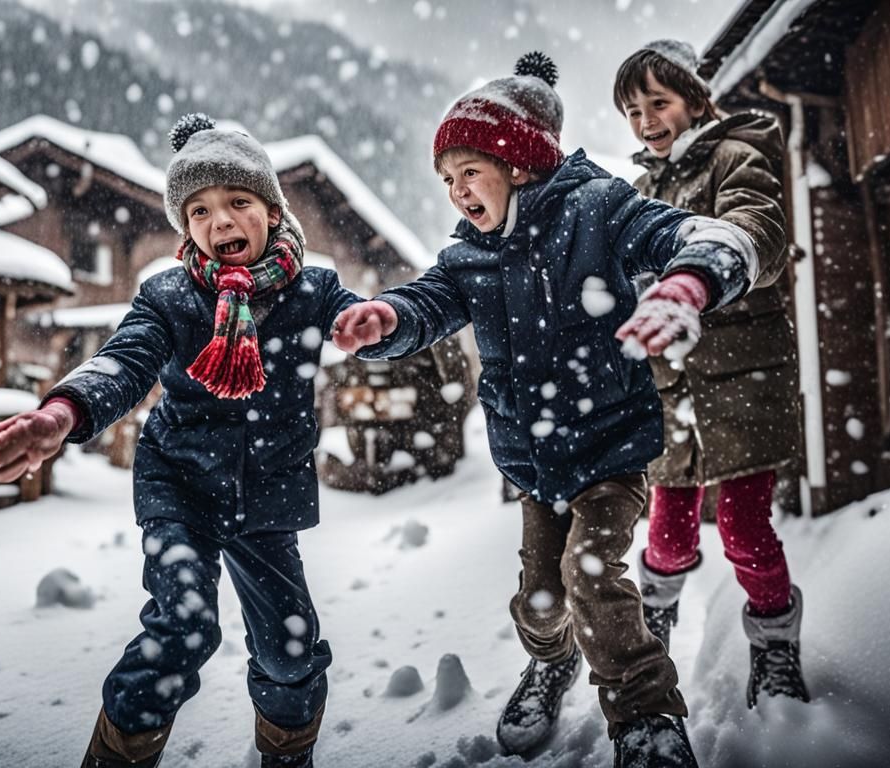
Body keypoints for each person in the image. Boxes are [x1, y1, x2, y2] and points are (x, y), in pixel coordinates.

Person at [332, 51, 763, 768]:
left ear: (519, 162)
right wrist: (387, 320)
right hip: (533, 463)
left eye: (469, 172)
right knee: (540, 594)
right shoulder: (469, 256)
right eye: (446, 180)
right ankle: (550, 662)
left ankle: (646, 716)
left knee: (590, 576)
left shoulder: (599, 207)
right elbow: (425, 303)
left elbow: (687, 235)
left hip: (612, 451)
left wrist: (692, 279)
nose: (457, 192)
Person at [0, 114, 364, 768]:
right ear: (183, 225)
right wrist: (64, 411)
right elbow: (123, 362)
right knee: (182, 627)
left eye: (238, 202)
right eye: (199, 210)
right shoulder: (166, 295)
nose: (220, 222)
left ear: (271, 211)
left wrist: (383, 325)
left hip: (268, 495)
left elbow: (374, 326)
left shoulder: (314, 289)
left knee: (291, 653)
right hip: (180, 485)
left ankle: (287, 758)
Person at [613, 39, 810, 709]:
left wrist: (699, 277)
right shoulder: (640, 191)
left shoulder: (736, 155)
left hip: (744, 381)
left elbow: (760, 229)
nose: (645, 122)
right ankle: (657, 613)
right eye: (632, 112)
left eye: (658, 103)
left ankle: (776, 645)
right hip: (672, 395)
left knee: (745, 530)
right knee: (665, 538)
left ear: (696, 100)